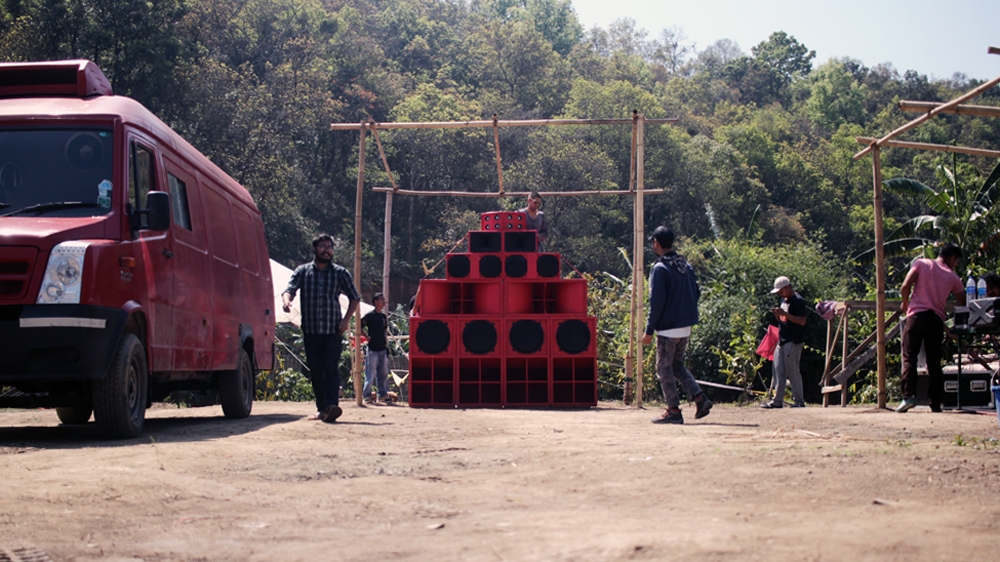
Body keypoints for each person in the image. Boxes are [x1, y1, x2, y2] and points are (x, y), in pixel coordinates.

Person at [282, 234, 361, 423]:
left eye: (330, 247)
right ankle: (321, 409)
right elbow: (290, 289)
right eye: (323, 246)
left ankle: (332, 406)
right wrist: (287, 302)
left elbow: (355, 297)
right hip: (310, 331)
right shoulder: (303, 271)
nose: (327, 250)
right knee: (316, 371)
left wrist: (345, 320)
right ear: (314, 249)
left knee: (330, 368)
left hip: (333, 330)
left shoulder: (340, 273)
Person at [642, 226, 712, 424]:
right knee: (676, 366)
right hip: (685, 325)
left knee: (663, 369)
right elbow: (696, 292)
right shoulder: (685, 266)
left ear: (656, 243)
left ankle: (673, 410)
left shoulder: (660, 268)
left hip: (668, 328)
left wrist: (648, 330)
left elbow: (656, 304)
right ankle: (699, 398)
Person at [896, 243, 965, 413]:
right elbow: (964, 301)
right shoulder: (953, 277)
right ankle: (935, 402)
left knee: (909, 357)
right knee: (934, 362)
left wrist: (905, 302)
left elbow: (905, 286)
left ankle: (908, 397)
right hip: (936, 320)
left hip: (916, 316)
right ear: (953, 258)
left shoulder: (922, 263)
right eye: (956, 261)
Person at [761, 276, 807, 409]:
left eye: (781, 291)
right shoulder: (783, 300)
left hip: (793, 340)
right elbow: (784, 319)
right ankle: (777, 400)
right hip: (782, 339)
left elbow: (802, 321)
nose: (780, 294)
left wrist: (784, 315)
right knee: (778, 370)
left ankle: (799, 400)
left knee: (792, 371)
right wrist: (778, 315)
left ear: (788, 287)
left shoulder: (798, 301)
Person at [361, 293, 392, 404]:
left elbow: (384, 332)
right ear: (375, 302)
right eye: (381, 300)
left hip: (382, 348)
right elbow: (359, 325)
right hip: (372, 349)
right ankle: (367, 395)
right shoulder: (370, 315)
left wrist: (386, 345)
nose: (384, 301)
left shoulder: (383, 317)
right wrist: (366, 337)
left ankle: (382, 395)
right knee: (370, 373)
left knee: (383, 373)